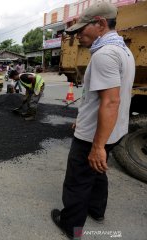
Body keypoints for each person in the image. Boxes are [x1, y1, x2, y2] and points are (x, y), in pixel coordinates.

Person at [50, 2, 135, 239]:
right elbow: (103, 98)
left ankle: (71, 227)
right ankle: (96, 211)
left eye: (81, 30)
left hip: (94, 136)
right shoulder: (123, 50)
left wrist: (96, 146)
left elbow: (110, 102)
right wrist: (84, 119)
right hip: (113, 131)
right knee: (98, 171)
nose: (78, 36)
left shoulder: (104, 55)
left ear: (100, 23)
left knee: (77, 180)